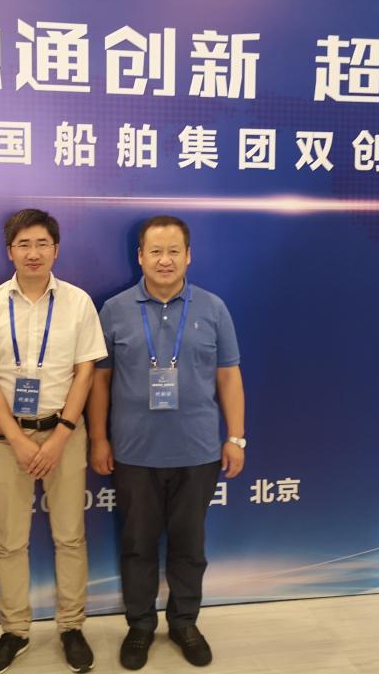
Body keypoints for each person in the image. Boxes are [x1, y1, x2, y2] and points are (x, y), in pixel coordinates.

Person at [87, 215, 246, 670]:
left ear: (188, 256)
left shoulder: (213, 308)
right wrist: (98, 438)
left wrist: (235, 437)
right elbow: (99, 382)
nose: (164, 260)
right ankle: (139, 626)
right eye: (155, 251)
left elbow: (229, 377)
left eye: (174, 251)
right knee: (137, 545)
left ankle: (184, 623)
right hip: (134, 453)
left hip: (198, 452)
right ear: (139, 256)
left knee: (189, 547)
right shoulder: (114, 309)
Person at [0, 209, 106, 674]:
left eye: (42, 243)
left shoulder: (78, 303)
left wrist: (62, 433)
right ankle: (15, 630)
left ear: (56, 249)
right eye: (23, 244)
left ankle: (72, 626)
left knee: (70, 536)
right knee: (10, 541)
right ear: (10, 251)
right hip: (9, 438)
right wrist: (16, 438)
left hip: (65, 434)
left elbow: (85, 372)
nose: (33, 253)